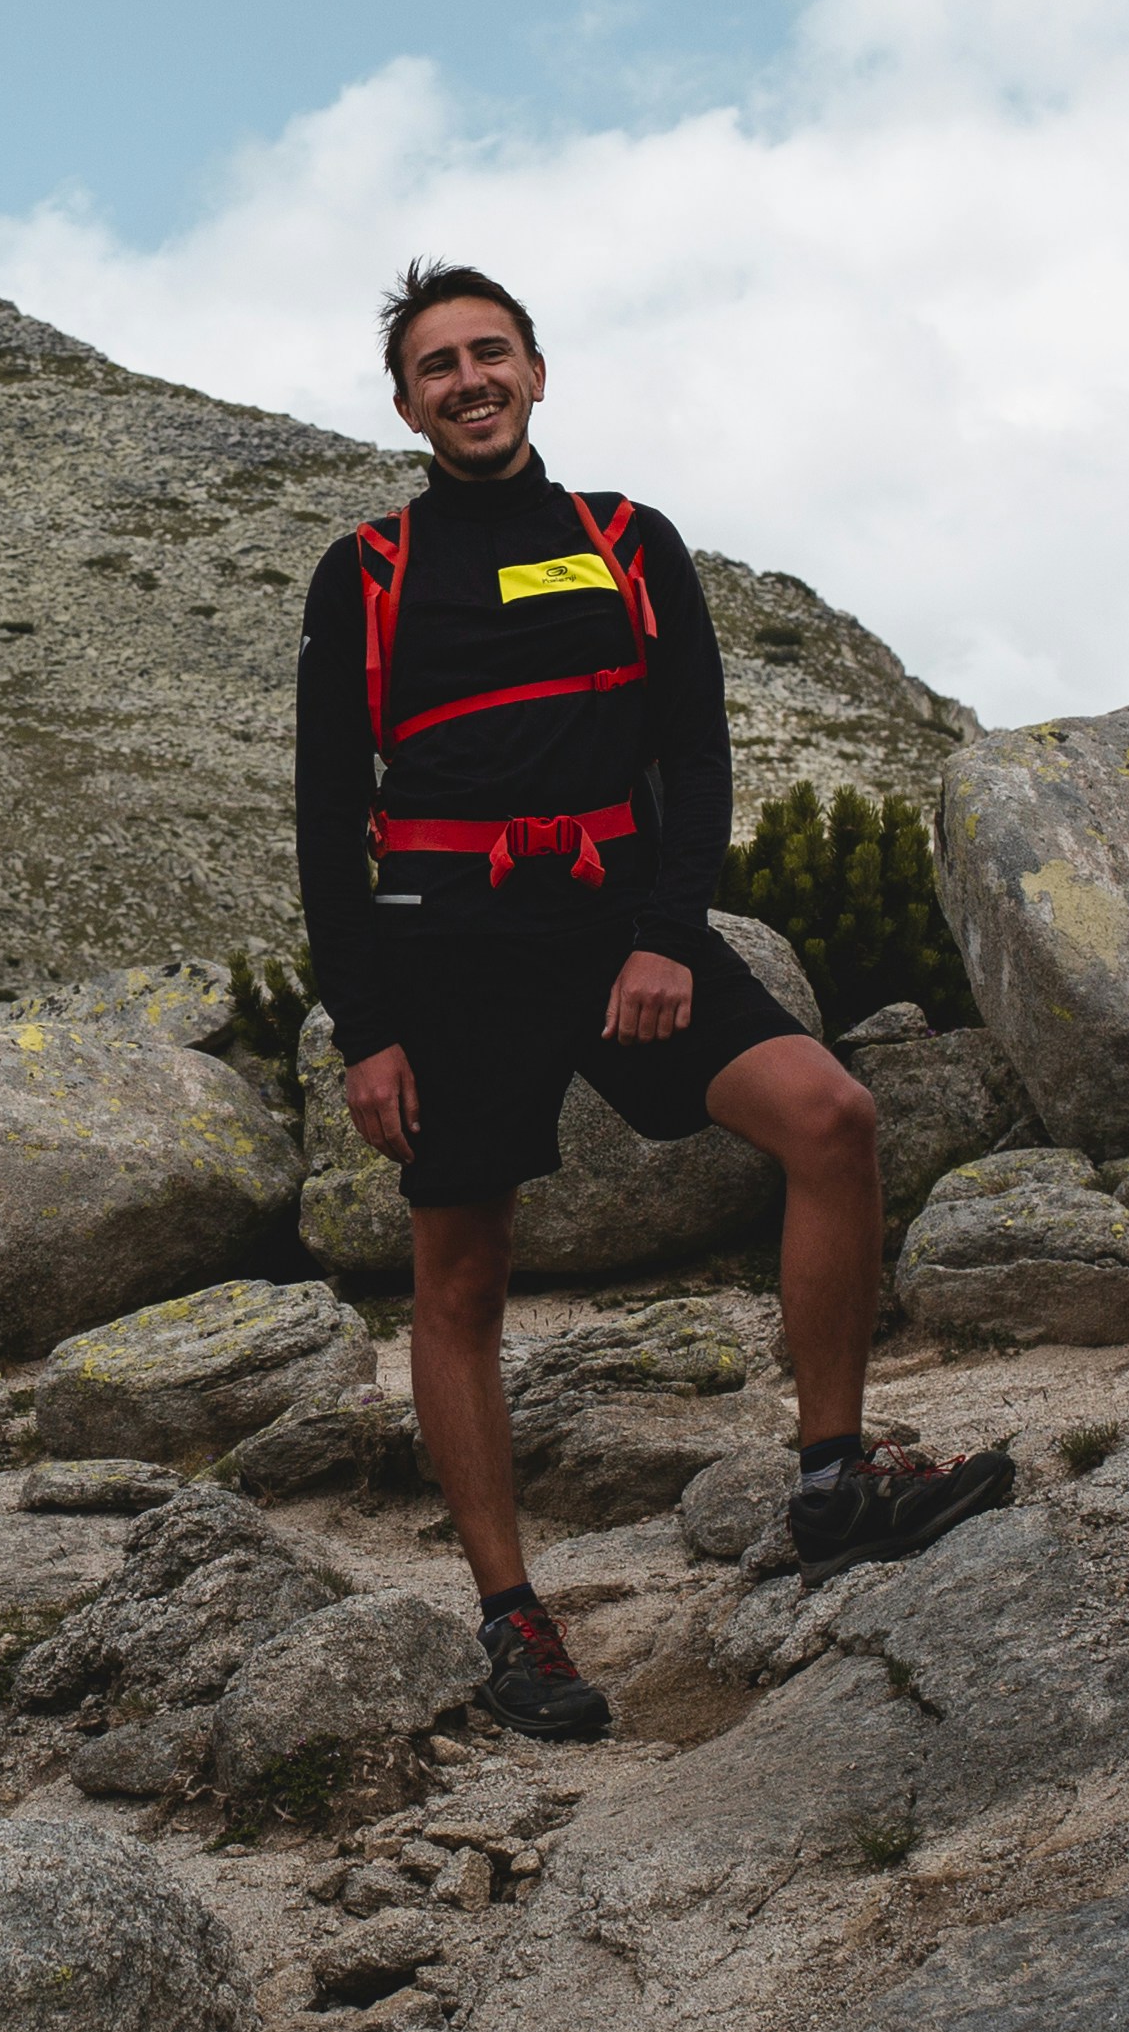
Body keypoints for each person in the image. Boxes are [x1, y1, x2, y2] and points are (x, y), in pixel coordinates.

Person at [296, 261, 1010, 1740]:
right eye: (439, 366)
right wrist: (368, 1030)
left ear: (539, 374)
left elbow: (693, 753)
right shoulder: (362, 575)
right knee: (462, 1284)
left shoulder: (629, 542)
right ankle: (514, 1619)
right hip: (446, 951)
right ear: (404, 404)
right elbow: (323, 823)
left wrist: (666, 935)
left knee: (833, 1117)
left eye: (492, 354)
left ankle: (833, 1482)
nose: (470, 381)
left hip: (617, 924)